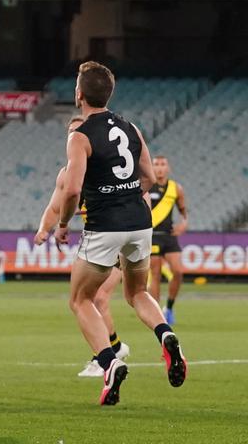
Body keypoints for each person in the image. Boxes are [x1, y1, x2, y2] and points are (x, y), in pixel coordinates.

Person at [50, 62, 187, 405]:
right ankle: (167, 336)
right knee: (137, 292)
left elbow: (71, 189)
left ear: (79, 94)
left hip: (104, 225)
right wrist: (124, 192)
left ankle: (109, 363)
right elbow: (150, 179)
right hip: (140, 223)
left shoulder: (80, 136)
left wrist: (64, 224)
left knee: (80, 300)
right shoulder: (130, 127)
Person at [35, 115, 130, 378]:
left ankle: (105, 357)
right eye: (71, 132)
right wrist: (44, 228)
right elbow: (56, 206)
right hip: (99, 241)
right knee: (94, 298)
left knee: (96, 298)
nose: (75, 136)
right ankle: (115, 348)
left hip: (120, 238)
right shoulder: (68, 173)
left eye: (80, 131)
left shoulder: (105, 168)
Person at [147, 155, 189, 325]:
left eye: (162, 164)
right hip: (151, 236)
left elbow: (184, 212)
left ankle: (169, 307)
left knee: (178, 271)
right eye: (156, 164)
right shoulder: (146, 186)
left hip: (169, 236)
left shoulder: (176, 188)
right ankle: (158, 317)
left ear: (168, 168)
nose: (159, 168)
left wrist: (183, 224)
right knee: (155, 274)